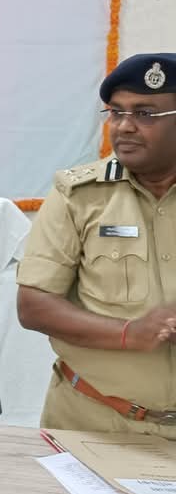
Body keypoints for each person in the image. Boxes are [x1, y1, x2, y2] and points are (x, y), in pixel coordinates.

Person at [18, 53, 176, 438]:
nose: (124, 126)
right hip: (92, 422)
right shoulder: (79, 195)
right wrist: (129, 333)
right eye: (116, 112)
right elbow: (34, 305)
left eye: (145, 114)